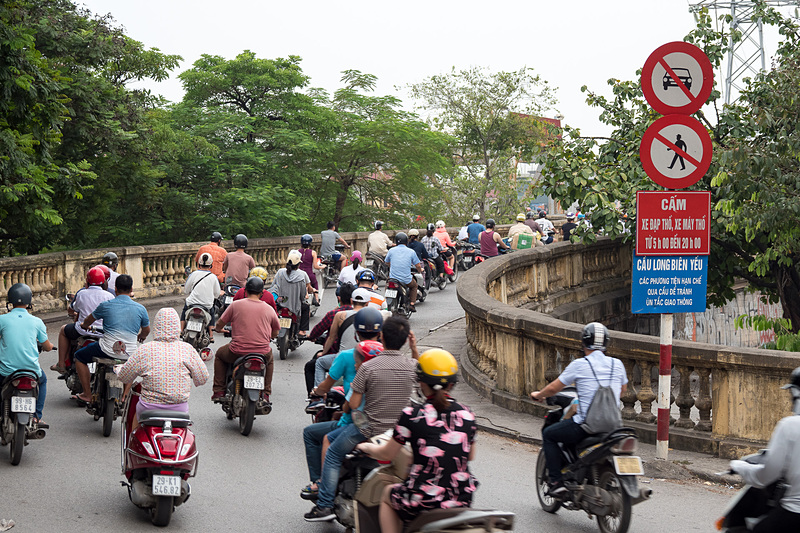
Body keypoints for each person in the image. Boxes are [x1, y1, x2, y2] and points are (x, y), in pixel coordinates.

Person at [304, 316, 418, 522]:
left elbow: (355, 405)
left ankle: (325, 504)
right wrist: (414, 348)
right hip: (399, 432)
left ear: (382, 336)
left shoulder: (368, 366)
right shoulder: (411, 365)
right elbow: (419, 372)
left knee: (332, 453)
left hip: (367, 429)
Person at [356, 349, 478, 533]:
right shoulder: (467, 414)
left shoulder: (412, 415)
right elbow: (470, 456)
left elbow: (387, 454)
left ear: (421, 382)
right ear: (452, 384)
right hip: (461, 499)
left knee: (388, 494)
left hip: (423, 500)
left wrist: (366, 447)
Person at [530, 322, 627, 495]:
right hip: (614, 426)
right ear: (606, 343)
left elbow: (553, 388)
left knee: (549, 434)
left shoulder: (580, 365)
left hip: (586, 426)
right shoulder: (617, 364)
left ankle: (556, 482)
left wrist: (539, 395)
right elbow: (622, 391)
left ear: (583, 343)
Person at [302, 336, 384, 501]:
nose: (355, 365)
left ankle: (323, 492)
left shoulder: (360, 377)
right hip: (383, 428)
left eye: (358, 362)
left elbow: (351, 406)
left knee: (323, 442)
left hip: (359, 427)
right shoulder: (386, 378)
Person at [725, 367, 800, 532]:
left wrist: (739, 466)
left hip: (794, 512)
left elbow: (765, 476)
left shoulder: (789, 426)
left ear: (795, 394)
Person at [117, 308, 209, 427]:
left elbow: (124, 377)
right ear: (177, 327)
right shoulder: (187, 349)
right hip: (179, 410)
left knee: (135, 422)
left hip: (148, 408)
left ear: (156, 326)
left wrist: (119, 369)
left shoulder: (145, 349)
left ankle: (132, 438)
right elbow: (202, 378)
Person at [74, 275, 150, 404]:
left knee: (79, 357)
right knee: (132, 366)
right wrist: (141, 336)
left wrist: (85, 325)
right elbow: (146, 330)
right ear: (131, 289)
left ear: (115, 289)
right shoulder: (140, 309)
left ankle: (87, 394)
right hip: (128, 351)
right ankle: (125, 396)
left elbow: (88, 320)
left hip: (106, 349)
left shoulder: (106, 305)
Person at [212, 276, 280, 403]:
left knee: (220, 355)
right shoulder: (269, 309)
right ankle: (266, 393)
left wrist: (218, 329)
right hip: (262, 352)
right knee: (269, 360)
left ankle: (219, 390)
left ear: (246, 290)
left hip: (237, 351)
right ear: (261, 293)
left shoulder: (235, 305)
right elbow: (275, 332)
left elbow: (220, 323)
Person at [0, 283, 55, 427]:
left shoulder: (2, 320)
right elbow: (47, 346)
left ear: (10, 300)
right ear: (29, 301)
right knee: (42, 381)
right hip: (31, 371)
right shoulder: (37, 321)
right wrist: (50, 347)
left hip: (6, 371)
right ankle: (37, 416)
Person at [52, 267, 114, 374]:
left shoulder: (82, 293)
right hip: (102, 332)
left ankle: (61, 364)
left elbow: (73, 308)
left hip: (83, 330)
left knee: (63, 330)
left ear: (87, 281)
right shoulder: (110, 296)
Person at [315, 288, 373, 386]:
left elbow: (331, 337)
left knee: (320, 362)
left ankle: (318, 392)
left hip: (342, 359)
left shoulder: (340, 315)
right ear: (367, 303)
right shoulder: (372, 317)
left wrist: (323, 353)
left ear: (351, 301)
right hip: (365, 359)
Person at [305, 284, 354, 394]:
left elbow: (329, 336)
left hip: (337, 356)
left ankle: (317, 395)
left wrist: (312, 338)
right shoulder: (361, 315)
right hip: (357, 357)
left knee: (314, 364)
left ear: (339, 298)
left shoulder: (335, 314)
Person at [269, 250, 315, 337]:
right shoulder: (301, 276)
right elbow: (303, 295)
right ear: (298, 265)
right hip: (295, 307)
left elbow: (273, 287)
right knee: (306, 307)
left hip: (280, 303)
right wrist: (303, 300)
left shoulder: (280, 272)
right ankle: (302, 331)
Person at [181, 252, 222, 341]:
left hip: (192, 303)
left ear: (199, 263)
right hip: (206, 305)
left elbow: (186, 290)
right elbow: (217, 294)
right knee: (212, 313)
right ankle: (211, 336)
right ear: (211, 265)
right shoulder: (213, 277)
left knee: (184, 311)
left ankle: (181, 330)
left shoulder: (193, 274)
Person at [384, 232, 423, 312]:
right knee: (414, 286)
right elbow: (418, 265)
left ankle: (385, 300)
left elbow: (386, 262)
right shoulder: (411, 251)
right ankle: (412, 304)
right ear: (406, 241)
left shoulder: (391, 250)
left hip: (393, 279)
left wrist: (391, 266)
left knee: (387, 284)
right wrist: (420, 270)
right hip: (406, 279)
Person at [298, 234, 320, 300]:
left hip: (300, 274)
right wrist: (323, 266)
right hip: (309, 274)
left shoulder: (298, 251)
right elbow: (315, 266)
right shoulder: (313, 252)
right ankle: (317, 299)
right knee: (315, 283)